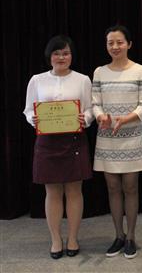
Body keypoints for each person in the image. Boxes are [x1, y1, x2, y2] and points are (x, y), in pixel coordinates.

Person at [23, 35, 94, 259]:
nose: (61, 57)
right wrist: (33, 119)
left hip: (74, 139)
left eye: (66, 53)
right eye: (57, 53)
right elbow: (28, 110)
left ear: (72, 56)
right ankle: (55, 239)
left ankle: (72, 238)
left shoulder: (82, 80)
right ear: (49, 56)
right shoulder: (37, 80)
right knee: (52, 192)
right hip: (47, 141)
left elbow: (90, 108)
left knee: (74, 190)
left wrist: (86, 118)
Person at [92, 25, 142, 259]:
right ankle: (118, 235)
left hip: (131, 137)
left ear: (129, 44)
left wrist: (125, 119)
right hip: (107, 138)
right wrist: (101, 117)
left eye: (119, 42)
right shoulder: (99, 72)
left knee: (130, 187)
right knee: (113, 188)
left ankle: (131, 237)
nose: (115, 47)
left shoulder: (140, 70)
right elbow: (95, 103)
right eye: (110, 43)